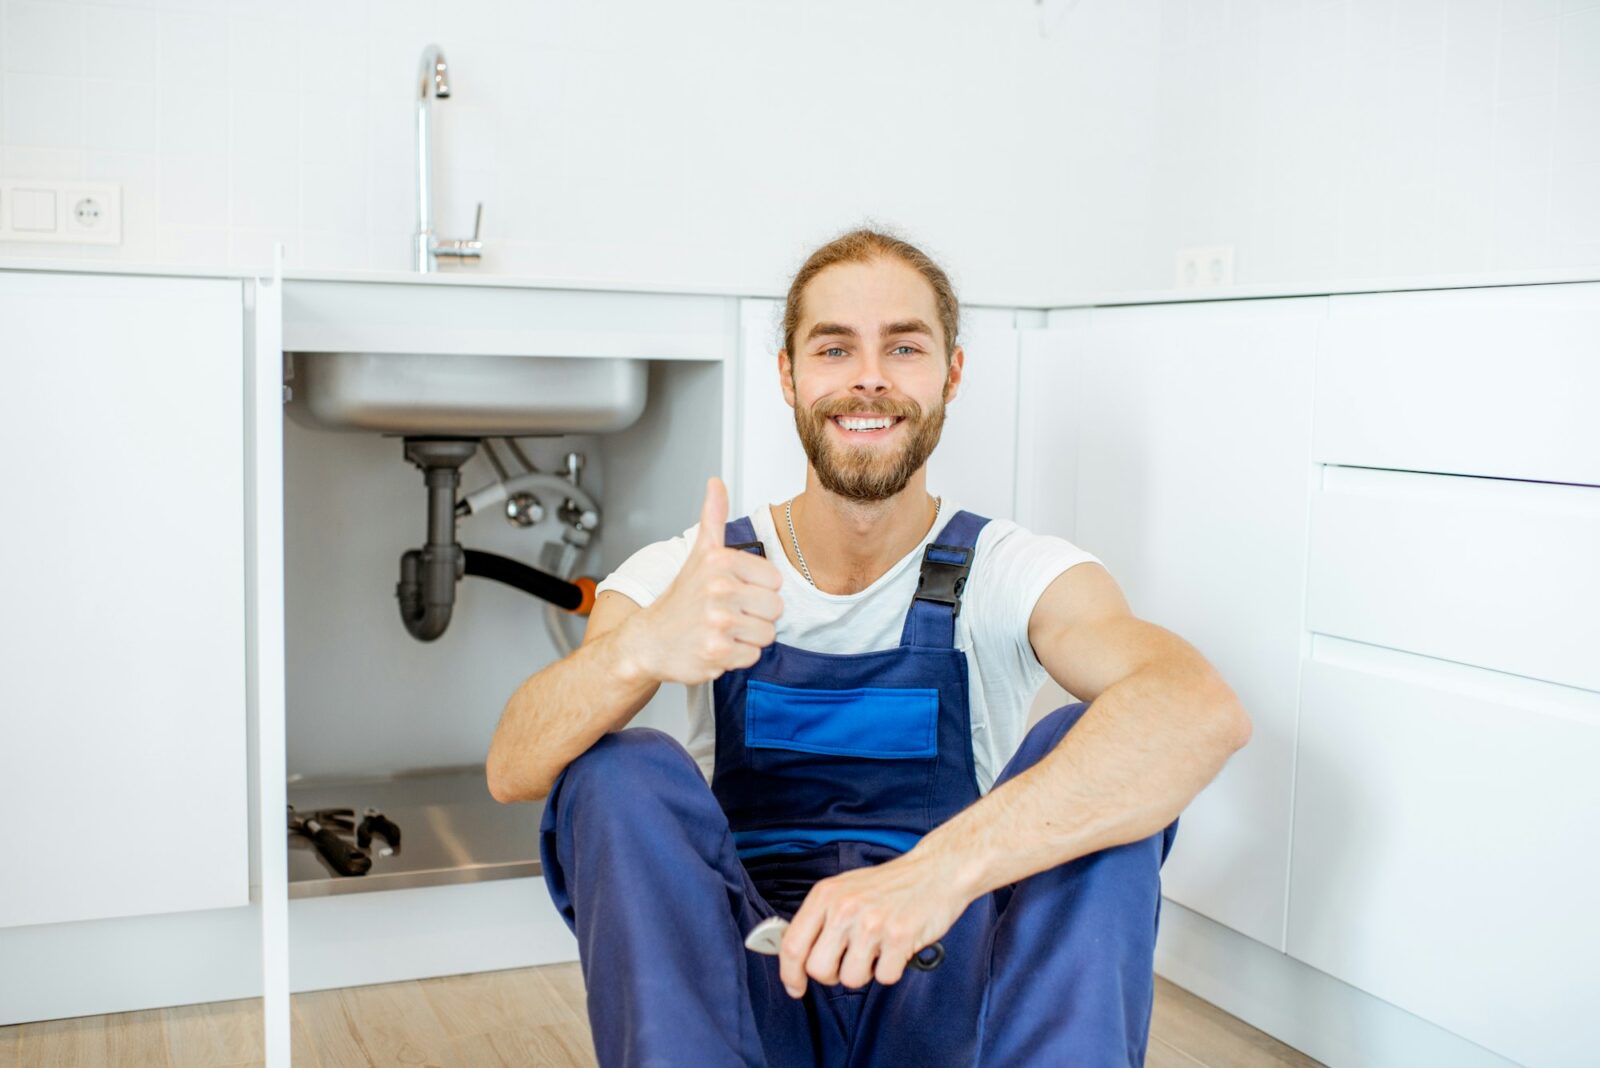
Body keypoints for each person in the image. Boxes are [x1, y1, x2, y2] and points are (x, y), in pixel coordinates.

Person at [486, 228, 1252, 1067]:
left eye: (905, 347)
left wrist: (932, 877)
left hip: (950, 989)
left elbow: (1197, 709)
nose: (870, 376)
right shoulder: (691, 573)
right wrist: (638, 651)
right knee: (615, 765)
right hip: (745, 998)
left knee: (1104, 745)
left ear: (951, 374)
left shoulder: (1014, 571)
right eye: (834, 347)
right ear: (787, 373)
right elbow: (514, 766)